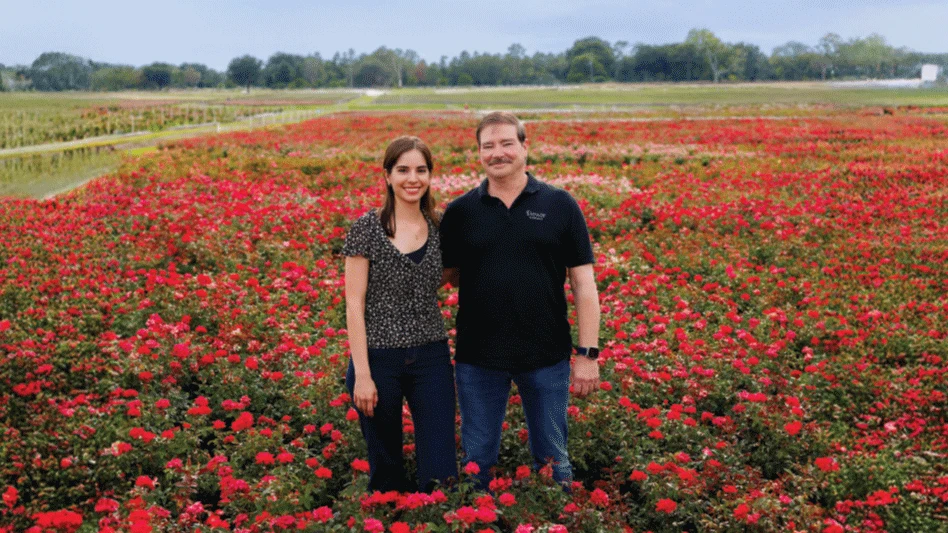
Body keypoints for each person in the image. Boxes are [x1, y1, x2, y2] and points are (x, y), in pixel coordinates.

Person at [440, 111, 601, 490]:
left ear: (525, 147)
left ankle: (559, 520)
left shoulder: (560, 204)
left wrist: (588, 354)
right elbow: (444, 277)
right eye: (488, 146)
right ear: (479, 153)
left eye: (507, 143)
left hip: (545, 355)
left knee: (553, 458)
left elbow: (583, 284)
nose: (498, 153)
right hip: (478, 357)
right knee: (477, 460)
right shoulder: (460, 212)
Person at [342, 135, 458, 492]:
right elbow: (354, 303)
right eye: (403, 170)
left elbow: (450, 277)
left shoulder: (441, 227)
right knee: (386, 464)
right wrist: (362, 374)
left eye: (421, 170)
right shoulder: (366, 227)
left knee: (441, 467)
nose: (413, 178)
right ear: (387, 176)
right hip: (378, 358)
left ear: (430, 176)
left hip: (431, 355)